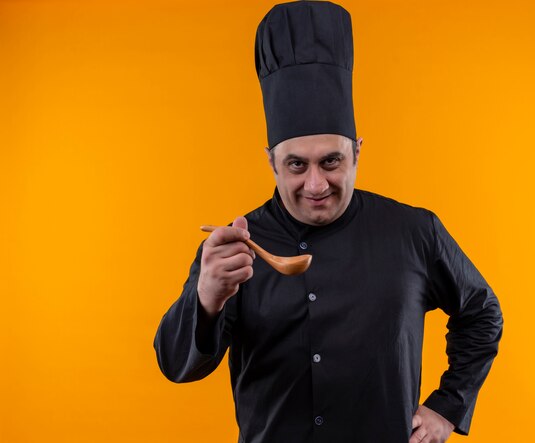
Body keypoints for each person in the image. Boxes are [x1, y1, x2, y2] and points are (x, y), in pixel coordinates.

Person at [154, 2, 503, 443]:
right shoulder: (236, 247)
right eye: (297, 165)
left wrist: (447, 407)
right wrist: (207, 298)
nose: (316, 184)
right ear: (272, 163)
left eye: (331, 161)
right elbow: (175, 366)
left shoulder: (413, 232)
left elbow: (482, 313)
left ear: (357, 151)